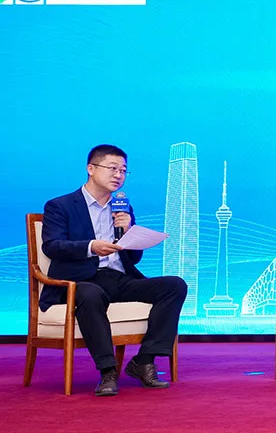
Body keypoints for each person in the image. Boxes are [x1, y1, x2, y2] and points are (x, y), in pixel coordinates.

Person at [40, 144, 187, 396]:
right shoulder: (60, 206)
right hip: (80, 281)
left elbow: (134, 258)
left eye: (123, 170)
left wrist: (129, 232)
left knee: (174, 285)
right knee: (90, 294)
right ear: (91, 168)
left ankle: (144, 361)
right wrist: (91, 247)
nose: (118, 175)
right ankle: (108, 371)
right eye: (112, 168)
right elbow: (52, 246)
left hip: (118, 278)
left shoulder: (122, 207)